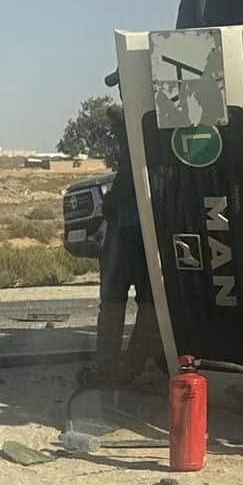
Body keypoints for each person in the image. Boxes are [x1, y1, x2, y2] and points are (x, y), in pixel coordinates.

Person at [84, 89, 164, 388]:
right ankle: (132, 368)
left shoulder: (134, 130)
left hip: (128, 231)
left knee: (114, 300)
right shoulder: (153, 126)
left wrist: (110, 204)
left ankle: (108, 370)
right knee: (147, 302)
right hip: (147, 231)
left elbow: (129, 177)